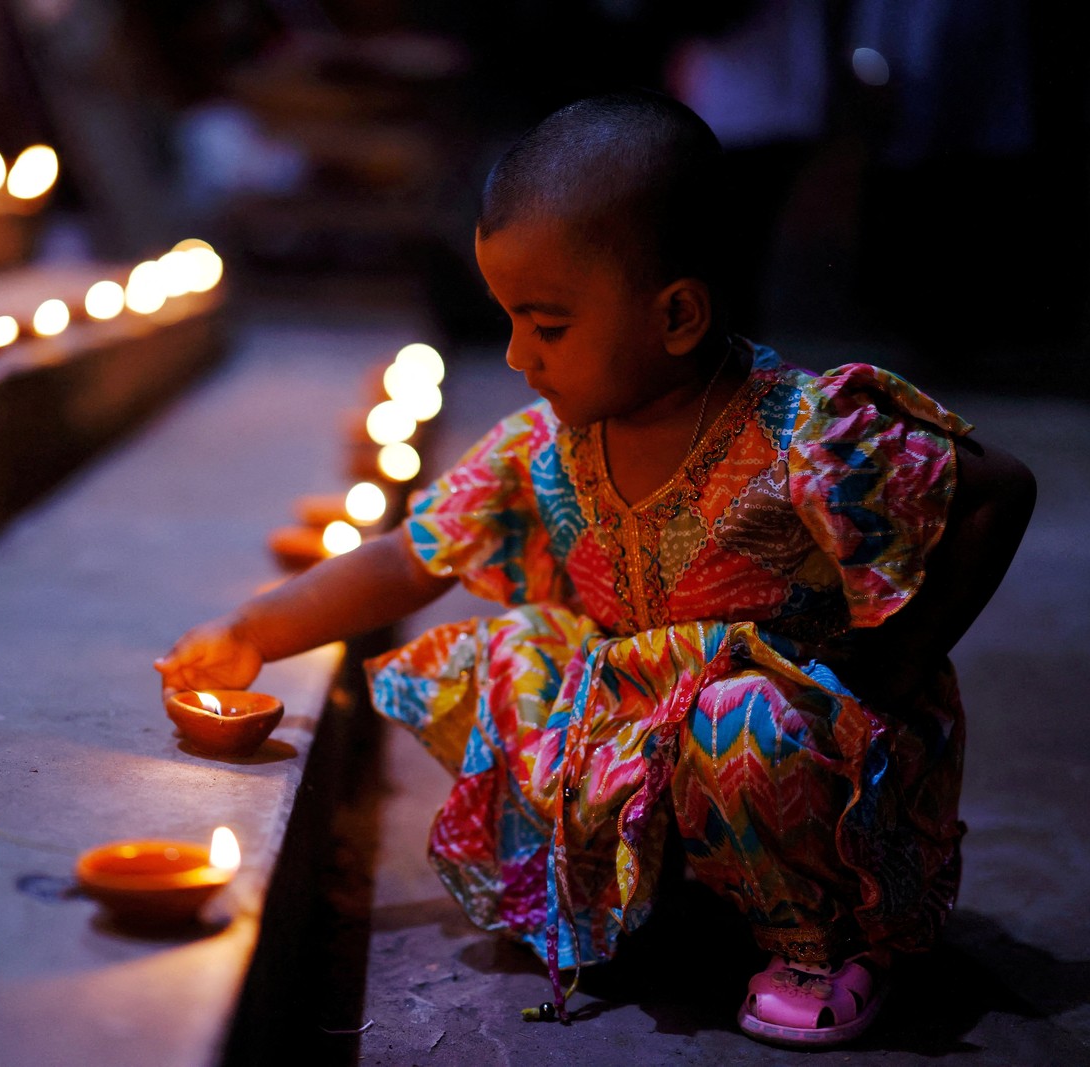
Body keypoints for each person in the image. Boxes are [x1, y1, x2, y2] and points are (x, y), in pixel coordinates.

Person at [155, 90, 1036, 1049]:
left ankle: (821, 939)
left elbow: (1000, 489)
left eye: (548, 324)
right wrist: (250, 631)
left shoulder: (803, 432)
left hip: (789, 733)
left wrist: (898, 663)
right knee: (519, 654)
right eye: (507, 320)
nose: (517, 355)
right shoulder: (546, 446)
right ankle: (655, 884)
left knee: (740, 723)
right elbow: (408, 561)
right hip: (646, 710)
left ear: (679, 315)